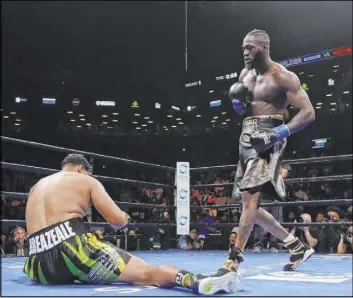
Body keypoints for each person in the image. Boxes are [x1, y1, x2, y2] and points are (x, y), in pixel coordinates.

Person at [23, 154, 241, 294]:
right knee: (147, 273)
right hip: (74, 249)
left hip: (38, 266)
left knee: (79, 266)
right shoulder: (85, 179)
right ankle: (195, 281)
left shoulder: (36, 187)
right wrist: (126, 218)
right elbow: (117, 222)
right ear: (81, 168)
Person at [221, 29, 316, 275]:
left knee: (250, 198)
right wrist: (236, 105)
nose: (245, 53)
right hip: (246, 136)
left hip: (270, 135)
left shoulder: (283, 77)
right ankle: (296, 246)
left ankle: (234, 259)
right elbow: (245, 112)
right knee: (247, 205)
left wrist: (279, 133)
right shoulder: (244, 74)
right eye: (243, 48)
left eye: (250, 48)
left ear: (264, 46)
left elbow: (308, 113)